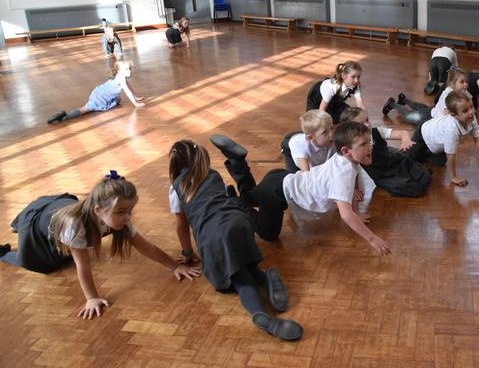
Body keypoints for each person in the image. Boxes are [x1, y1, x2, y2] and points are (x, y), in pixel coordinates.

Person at [0, 172, 201, 320]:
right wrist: (91, 298)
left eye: (130, 210)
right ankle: (5, 251)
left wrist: (175, 266)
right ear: (98, 210)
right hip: (39, 229)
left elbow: (145, 246)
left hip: (57, 212)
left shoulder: (114, 217)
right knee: (42, 264)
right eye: (121, 212)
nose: (127, 217)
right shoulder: (75, 225)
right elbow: (82, 266)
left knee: (68, 251)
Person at [168, 139, 304, 341]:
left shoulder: (176, 188)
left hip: (213, 235)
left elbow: (182, 226)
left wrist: (187, 252)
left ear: (174, 163)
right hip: (238, 222)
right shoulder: (211, 174)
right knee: (246, 264)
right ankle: (266, 281)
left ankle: (262, 314)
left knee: (239, 277)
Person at [207, 124, 391, 256]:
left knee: (251, 197)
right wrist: (372, 239)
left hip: (281, 178)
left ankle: (237, 161)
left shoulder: (346, 161)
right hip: (277, 192)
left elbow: (350, 191)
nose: (370, 147)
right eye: (364, 144)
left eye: (369, 142)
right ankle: (235, 201)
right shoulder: (343, 174)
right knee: (267, 234)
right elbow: (345, 214)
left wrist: (357, 214)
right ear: (346, 151)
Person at [408, 90, 479, 186]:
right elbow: (451, 155)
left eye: (471, 106)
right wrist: (454, 177)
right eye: (465, 111)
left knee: (440, 162)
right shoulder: (452, 129)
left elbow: (477, 137)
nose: (471, 112)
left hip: (436, 140)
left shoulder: (471, 118)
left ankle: (426, 153)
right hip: (423, 133)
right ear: (454, 115)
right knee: (409, 158)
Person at [340, 107, 429, 197]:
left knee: (425, 178)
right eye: (361, 124)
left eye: (367, 120)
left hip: (394, 162)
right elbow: (353, 169)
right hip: (383, 175)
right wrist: (355, 189)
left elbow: (402, 133)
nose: (367, 125)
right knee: (415, 189)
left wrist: (405, 140)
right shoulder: (355, 148)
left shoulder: (376, 131)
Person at [47, 60, 145, 123]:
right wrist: (135, 103)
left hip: (99, 92)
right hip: (100, 97)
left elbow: (129, 87)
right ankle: (65, 117)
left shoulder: (121, 77)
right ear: (119, 71)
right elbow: (127, 92)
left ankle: (65, 116)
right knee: (85, 109)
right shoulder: (121, 79)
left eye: (130, 69)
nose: (130, 71)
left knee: (118, 99)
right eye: (127, 69)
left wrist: (136, 97)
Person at [383, 67, 468, 126]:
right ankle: (392, 104)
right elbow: (447, 116)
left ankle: (404, 100)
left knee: (421, 107)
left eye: (466, 82)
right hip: (431, 118)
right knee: (409, 115)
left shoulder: (462, 92)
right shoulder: (449, 95)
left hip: (433, 111)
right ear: (452, 83)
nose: (465, 84)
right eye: (462, 82)